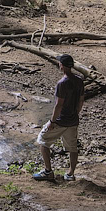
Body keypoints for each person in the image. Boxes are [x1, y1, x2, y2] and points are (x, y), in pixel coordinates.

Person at [32, 54, 85, 182]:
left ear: (62, 66)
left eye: (59, 63)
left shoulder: (62, 83)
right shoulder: (79, 80)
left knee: (43, 140)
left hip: (60, 121)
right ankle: (71, 174)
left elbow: (58, 105)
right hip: (73, 121)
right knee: (72, 147)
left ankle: (48, 172)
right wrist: (75, 113)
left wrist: (52, 121)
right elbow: (81, 100)